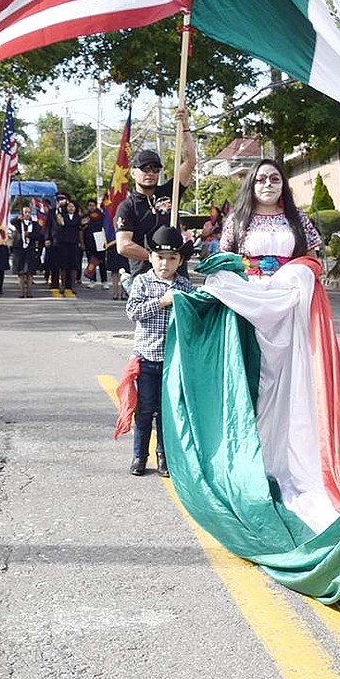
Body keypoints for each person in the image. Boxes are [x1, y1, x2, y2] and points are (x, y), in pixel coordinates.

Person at [123, 226, 193, 477]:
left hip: (173, 361)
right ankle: (140, 455)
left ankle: (165, 457)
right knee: (145, 410)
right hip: (147, 358)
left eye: (172, 258)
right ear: (150, 256)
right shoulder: (141, 281)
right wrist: (161, 302)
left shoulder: (185, 286)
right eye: (160, 257)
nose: (165, 263)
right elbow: (133, 312)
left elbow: (194, 318)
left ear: (180, 260)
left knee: (167, 412)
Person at [115, 106, 196, 277]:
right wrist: (158, 258)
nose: (150, 173)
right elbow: (123, 246)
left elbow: (190, 162)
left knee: (182, 304)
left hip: (177, 276)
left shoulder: (170, 191)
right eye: (145, 169)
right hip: (145, 277)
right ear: (133, 172)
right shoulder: (127, 207)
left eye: (155, 169)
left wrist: (185, 128)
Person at [219, 159, 321, 276]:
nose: (268, 184)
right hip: (246, 288)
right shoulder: (236, 219)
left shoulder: (299, 218)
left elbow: (312, 260)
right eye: (261, 180)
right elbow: (225, 259)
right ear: (251, 185)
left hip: (291, 287)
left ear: (283, 185)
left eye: (275, 179)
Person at [47, 194, 82, 295]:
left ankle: (72, 285)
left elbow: (80, 227)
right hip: (63, 242)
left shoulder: (78, 217)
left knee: (74, 265)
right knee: (63, 264)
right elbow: (59, 224)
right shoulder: (61, 215)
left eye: (72, 207)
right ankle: (62, 284)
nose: (71, 208)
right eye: (69, 207)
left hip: (74, 243)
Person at [9, 204, 43, 298]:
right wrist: (18, 218)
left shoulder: (35, 224)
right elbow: (12, 222)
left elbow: (39, 236)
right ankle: (21, 292)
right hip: (19, 250)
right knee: (21, 272)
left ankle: (29, 291)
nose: (27, 214)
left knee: (29, 272)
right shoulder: (19, 223)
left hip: (30, 250)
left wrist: (30, 235)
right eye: (25, 212)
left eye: (29, 212)